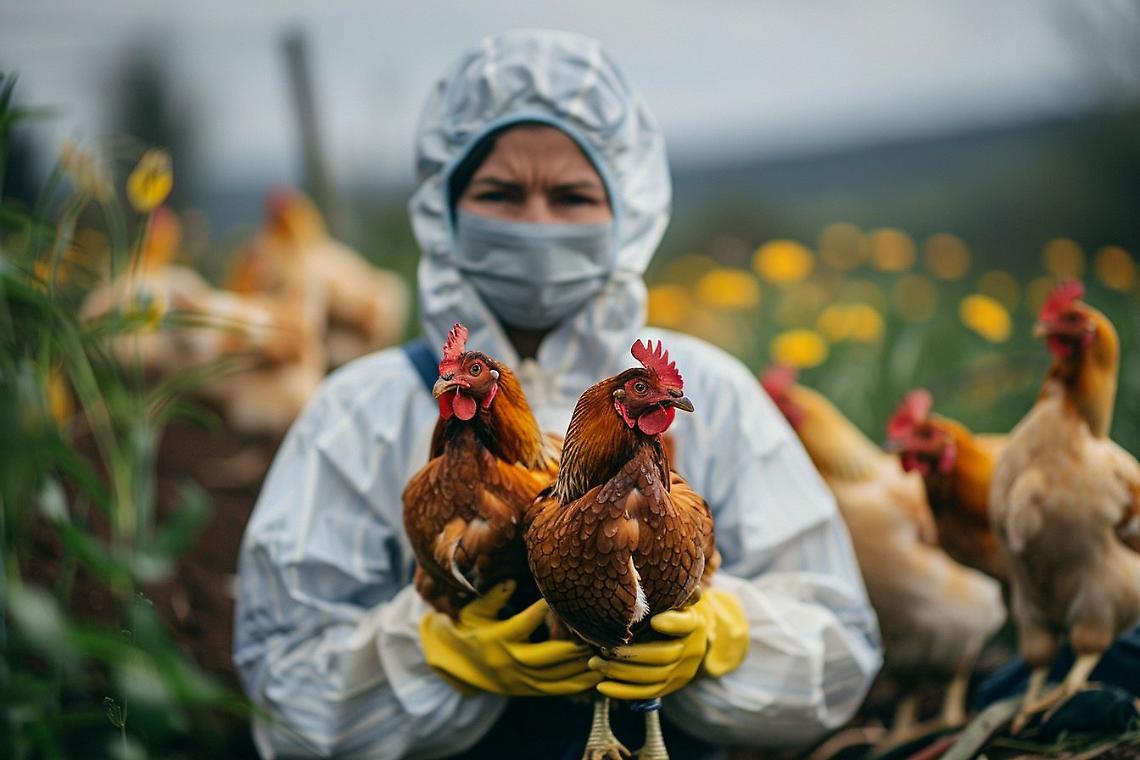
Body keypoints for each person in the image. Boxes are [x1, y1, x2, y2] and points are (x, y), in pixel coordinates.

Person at [233, 28, 882, 759]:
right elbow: (281, 686)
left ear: (627, 212)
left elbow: (841, 647)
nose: (536, 222)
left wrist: (722, 637)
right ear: (445, 211)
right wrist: (432, 653)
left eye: (572, 196)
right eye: (500, 194)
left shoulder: (714, 395)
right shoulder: (359, 412)